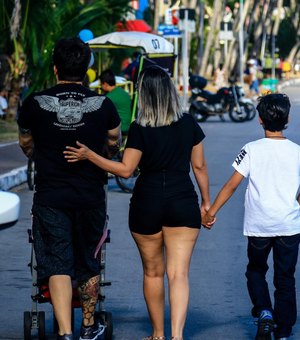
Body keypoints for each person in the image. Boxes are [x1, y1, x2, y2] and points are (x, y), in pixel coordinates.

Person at [64, 65, 211, 340]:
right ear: (170, 92)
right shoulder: (189, 123)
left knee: (153, 273)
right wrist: (206, 203)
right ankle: (177, 336)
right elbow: (200, 167)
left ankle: (157, 334)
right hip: (182, 200)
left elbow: (125, 170)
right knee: (178, 274)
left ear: (143, 95)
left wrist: (90, 156)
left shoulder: (140, 128)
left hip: (147, 202)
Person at [17, 37, 121, 340]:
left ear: (55, 68)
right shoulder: (103, 104)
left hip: (51, 195)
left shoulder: (35, 103)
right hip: (90, 195)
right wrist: (102, 155)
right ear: (87, 68)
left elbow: (26, 143)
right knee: (88, 259)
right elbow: (113, 141)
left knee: (57, 261)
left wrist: (43, 155)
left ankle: (64, 332)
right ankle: (88, 327)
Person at [203, 93, 300, 340]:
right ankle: (285, 330)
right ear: (287, 119)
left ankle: (265, 312)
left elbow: (231, 185)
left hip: (259, 226)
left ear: (259, 120)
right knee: (285, 277)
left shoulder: (250, 150)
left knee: (256, 270)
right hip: (289, 225)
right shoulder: (297, 152)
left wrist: (211, 213)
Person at [99, 69, 132, 135]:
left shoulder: (109, 97)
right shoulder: (123, 92)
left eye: (101, 84)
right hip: (128, 126)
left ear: (105, 84)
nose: (100, 87)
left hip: (119, 129)